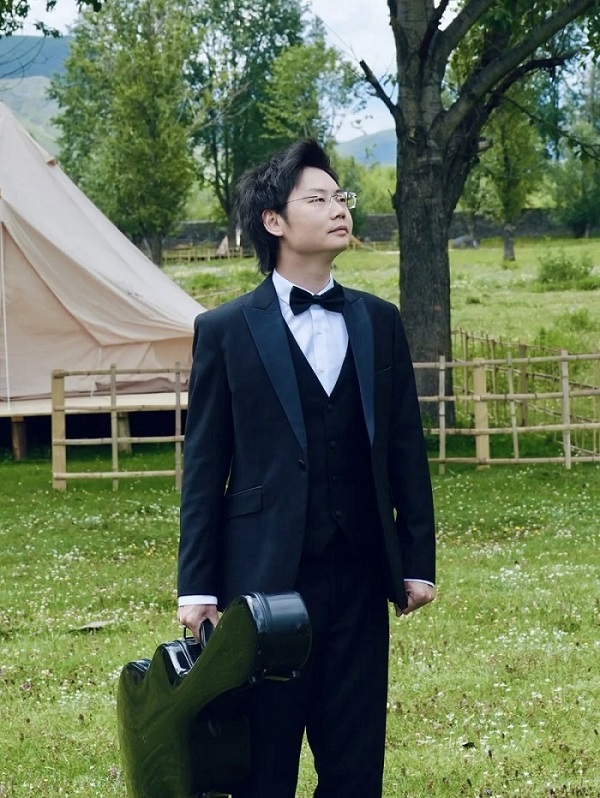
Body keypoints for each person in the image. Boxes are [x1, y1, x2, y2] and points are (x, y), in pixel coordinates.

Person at [177, 139, 436, 798]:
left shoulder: (379, 321)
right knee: (263, 769)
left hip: (359, 578)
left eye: (340, 196)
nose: (339, 209)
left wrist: (417, 561)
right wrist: (196, 588)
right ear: (274, 221)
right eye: (317, 199)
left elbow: (406, 448)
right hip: (262, 587)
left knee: (356, 767)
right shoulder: (225, 329)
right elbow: (203, 466)